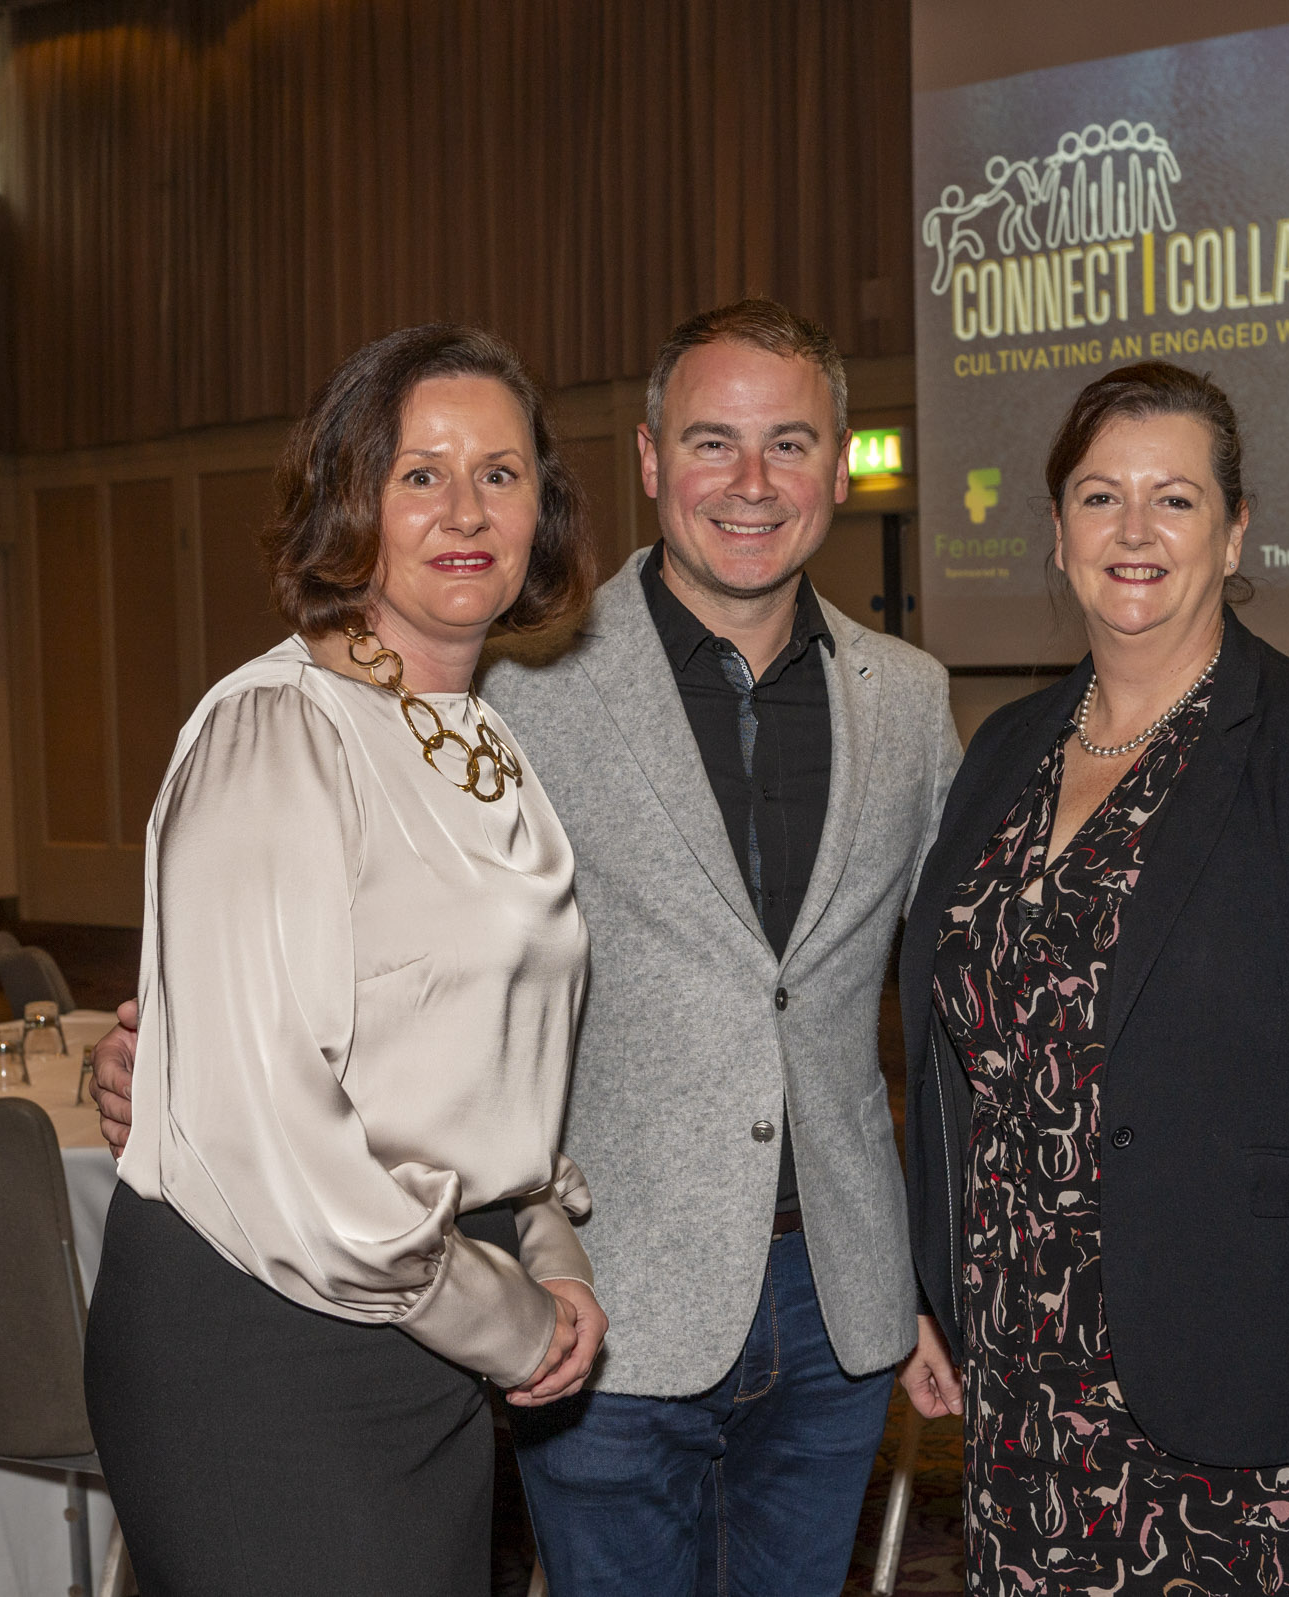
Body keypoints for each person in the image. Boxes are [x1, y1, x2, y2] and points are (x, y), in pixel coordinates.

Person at [95, 298, 963, 1595]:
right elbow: (275, 997)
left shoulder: (906, 699)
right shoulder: (501, 682)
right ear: (650, 459)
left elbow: (961, 996)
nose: (751, 481)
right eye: (711, 441)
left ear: (840, 466)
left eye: (789, 443)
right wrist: (169, 1059)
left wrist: (935, 1274)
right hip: (585, 1301)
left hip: (812, 1288)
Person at [898, 362, 1289, 1595]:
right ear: (1059, 531)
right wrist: (932, 1286)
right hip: (1024, 1382)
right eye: (1100, 497)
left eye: (1175, 499)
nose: (1135, 531)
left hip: (1250, 1394)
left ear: (1235, 531)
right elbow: (960, 1061)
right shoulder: (1004, 749)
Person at [81, 324, 606, 1597]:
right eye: (419, 473)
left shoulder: (474, 739)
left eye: (500, 473)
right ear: (348, 501)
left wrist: (550, 1246)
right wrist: (509, 1318)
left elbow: (477, 1065)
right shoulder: (279, 731)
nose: (466, 509)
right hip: (268, 1345)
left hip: (420, 1312)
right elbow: (273, 1130)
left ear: (541, 510)